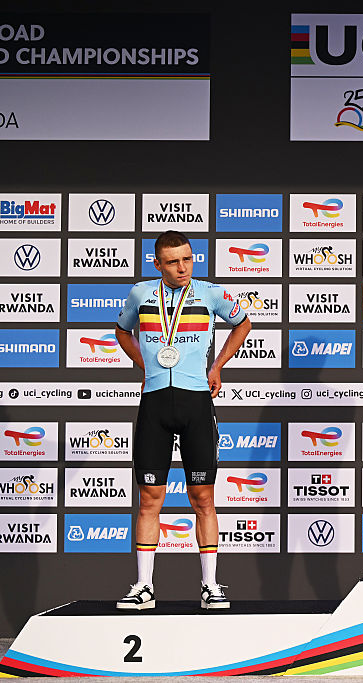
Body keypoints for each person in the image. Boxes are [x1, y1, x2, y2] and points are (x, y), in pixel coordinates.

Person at [113, 230, 251, 609]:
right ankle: (143, 586)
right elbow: (122, 332)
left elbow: (243, 323)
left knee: (203, 497)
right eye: (173, 262)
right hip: (155, 404)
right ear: (157, 264)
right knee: (148, 499)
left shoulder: (210, 292)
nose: (182, 267)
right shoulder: (141, 294)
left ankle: (211, 585)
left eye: (188, 259)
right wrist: (146, 365)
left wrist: (218, 366)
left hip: (196, 404)